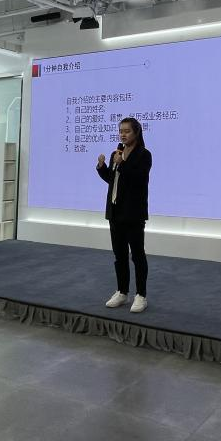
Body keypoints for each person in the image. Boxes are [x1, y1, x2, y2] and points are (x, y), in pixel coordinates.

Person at [96, 117, 152, 313]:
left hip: (133, 214)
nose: (123, 134)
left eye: (127, 131)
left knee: (137, 255)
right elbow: (113, 180)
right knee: (119, 255)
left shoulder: (144, 154)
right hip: (115, 212)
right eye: (121, 131)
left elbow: (138, 180)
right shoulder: (116, 153)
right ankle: (122, 292)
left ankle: (141, 295)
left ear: (136, 133)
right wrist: (102, 167)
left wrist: (123, 164)